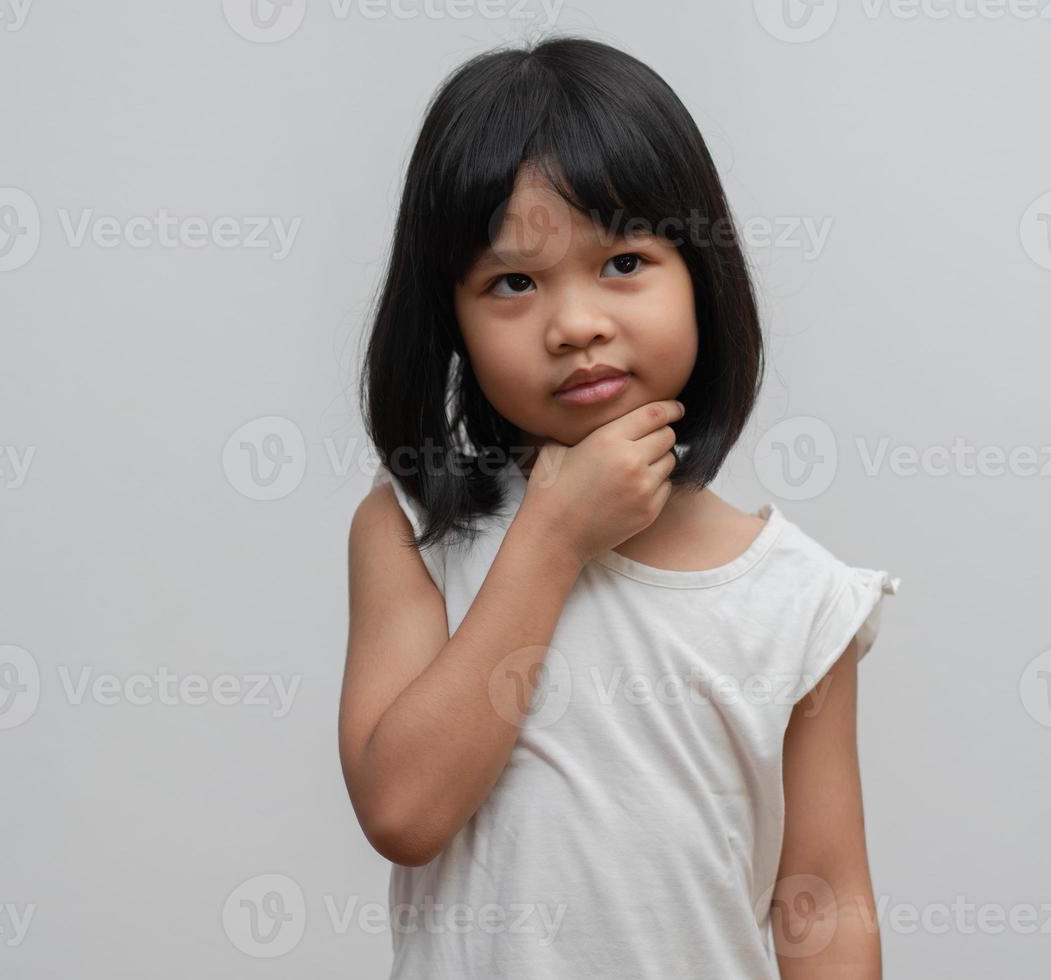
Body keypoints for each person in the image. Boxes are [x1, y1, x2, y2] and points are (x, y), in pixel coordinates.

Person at [339, 34, 901, 980]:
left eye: (625, 262)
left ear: (701, 277)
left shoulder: (800, 599)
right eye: (513, 282)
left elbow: (826, 898)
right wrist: (552, 539)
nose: (576, 323)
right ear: (452, 322)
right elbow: (404, 810)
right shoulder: (414, 532)